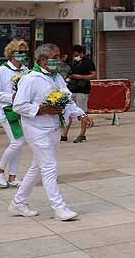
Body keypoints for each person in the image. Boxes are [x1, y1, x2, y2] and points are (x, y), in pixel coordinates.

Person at [8, 43, 92, 221]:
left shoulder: (57, 77)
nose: (59, 60)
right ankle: (59, 208)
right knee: (49, 167)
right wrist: (42, 109)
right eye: (55, 58)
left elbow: (67, 99)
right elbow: (19, 105)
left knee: (37, 167)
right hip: (36, 129)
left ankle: (18, 202)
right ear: (43, 59)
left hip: (53, 127)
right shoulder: (31, 79)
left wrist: (81, 115)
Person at [0, 39, 30, 188]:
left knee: (19, 144)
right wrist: (11, 97)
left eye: (24, 52)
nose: (22, 55)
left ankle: (13, 176)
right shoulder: (1, 71)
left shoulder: (25, 70)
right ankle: (0, 171)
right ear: (11, 53)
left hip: (21, 111)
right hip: (7, 111)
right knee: (17, 142)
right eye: (19, 52)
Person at [62, 45, 96, 144]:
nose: (75, 56)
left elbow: (93, 75)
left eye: (76, 54)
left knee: (82, 113)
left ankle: (82, 135)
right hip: (72, 89)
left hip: (82, 90)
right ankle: (64, 135)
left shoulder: (88, 61)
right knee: (68, 112)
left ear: (81, 53)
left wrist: (79, 77)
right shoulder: (74, 62)